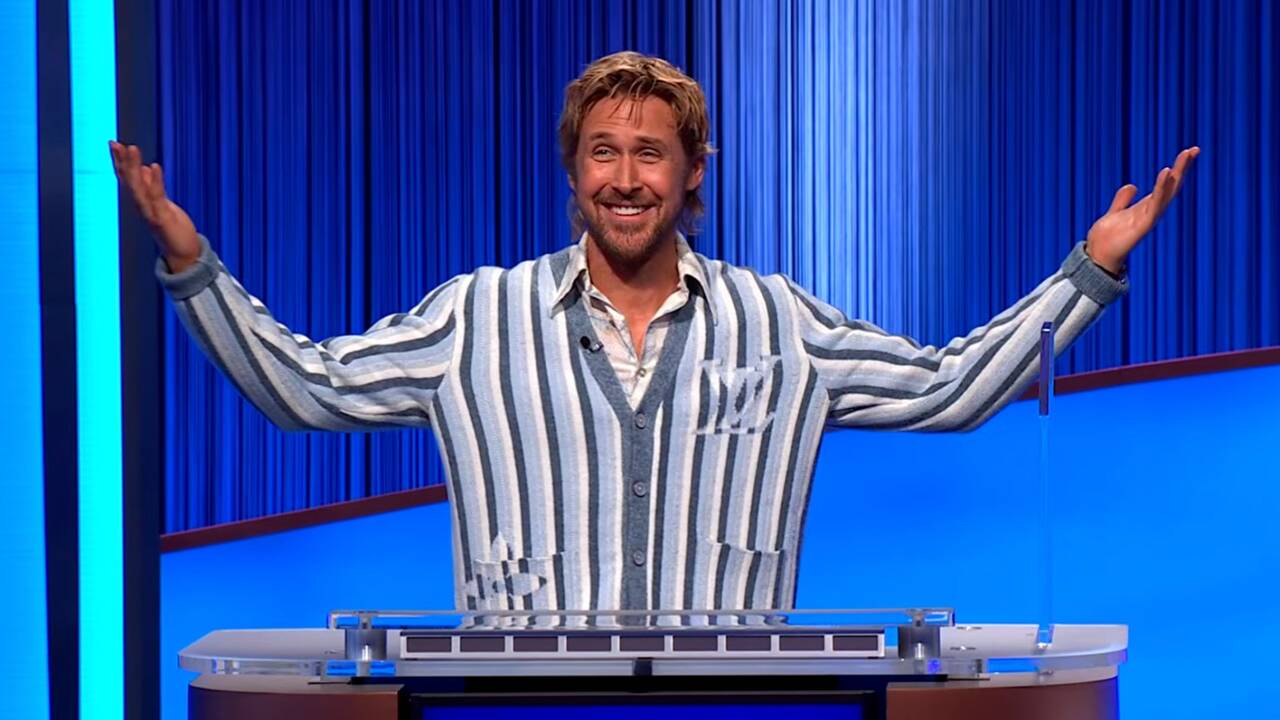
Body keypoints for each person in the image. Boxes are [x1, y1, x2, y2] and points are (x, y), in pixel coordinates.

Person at [110, 51, 1197, 614]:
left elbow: (946, 388)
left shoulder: (778, 320)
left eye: (650, 154)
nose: (625, 178)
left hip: (734, 707)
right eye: (602, 151)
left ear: (689, 174)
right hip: (516, 709)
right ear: (572, 169)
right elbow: (306, 388)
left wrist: (1090, 270)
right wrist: (190, 265)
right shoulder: (475, 316)